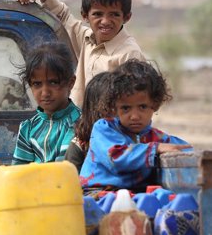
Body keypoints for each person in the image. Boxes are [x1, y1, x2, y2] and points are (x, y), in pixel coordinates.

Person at [16, 0, 146, 108]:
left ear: (127, 17)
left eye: (114, 14)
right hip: (80, 125)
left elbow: (135, 101)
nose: (106, 21)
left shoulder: (129, 54)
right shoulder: (86, 39)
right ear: (85, 16)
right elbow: (63, 16)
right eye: (98, 14)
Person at [80, 59, 192, 193]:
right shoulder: (104, 129)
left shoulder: (157, 137)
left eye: (142, 107)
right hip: (98, 192)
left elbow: (185, 150)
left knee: (164, 196)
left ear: (154, 105)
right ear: (114, 107)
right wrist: (155, 149)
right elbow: (116, 158)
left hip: (133, 193)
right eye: (126, 108)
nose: (134, 116)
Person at [12, 42, 80, 165]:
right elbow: (18, 170)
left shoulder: (79, 124)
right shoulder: (28, 128)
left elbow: (64, 170)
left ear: (70, 82)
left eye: (53, 82)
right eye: (37, 84)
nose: (45, 93)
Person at [65, 71, 112, 172]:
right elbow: (72, 183)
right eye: (109, 108)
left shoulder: (132, 139)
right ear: (93, 109)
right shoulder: (79, 146)